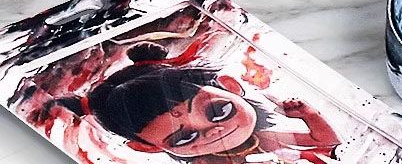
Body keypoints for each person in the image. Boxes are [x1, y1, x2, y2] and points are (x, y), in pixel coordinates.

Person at [50, 43, 340, 163]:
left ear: (231, 87)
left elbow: (326, 141)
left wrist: (309, 114)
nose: (214, 132)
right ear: (148, 147)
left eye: (218, 110)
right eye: (184, 138)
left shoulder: (261, 140)